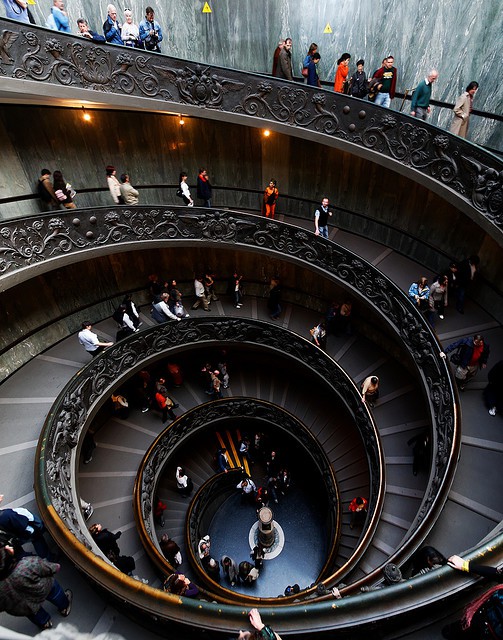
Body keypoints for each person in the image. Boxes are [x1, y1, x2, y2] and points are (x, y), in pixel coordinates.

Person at [0, 545, 72, 630]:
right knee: (55, 592)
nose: (7, 546)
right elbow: (53, 567)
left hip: (23, 606)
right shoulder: (27, 563)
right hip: (43, 588)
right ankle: (64, 607)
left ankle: (45, 623)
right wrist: (54, 567)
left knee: (33, 613)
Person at [443, 554, 503, 639]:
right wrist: (465, 565)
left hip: (489, 633)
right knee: (451, 632)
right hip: (478, 616)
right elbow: (498, 575)